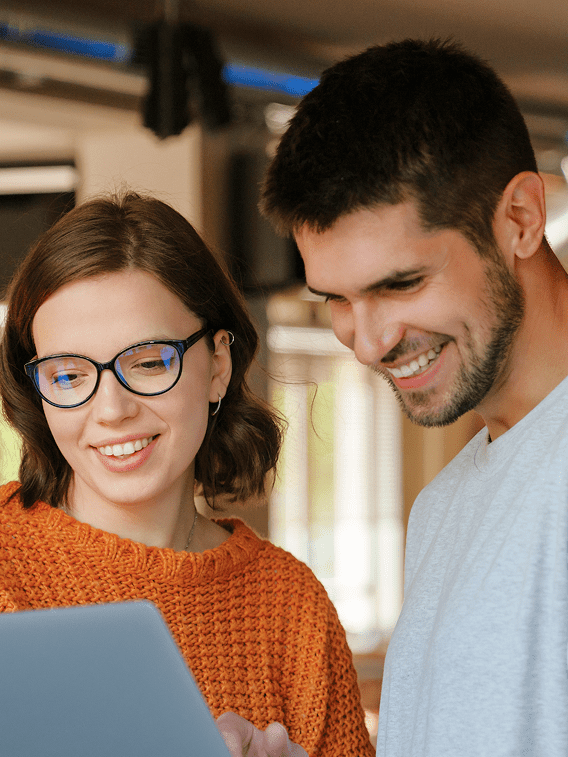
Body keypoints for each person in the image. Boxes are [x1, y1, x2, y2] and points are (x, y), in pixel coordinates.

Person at [0, 191, 374, 757]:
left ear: (218, 365)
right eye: (68, 376)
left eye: (148, 363)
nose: (111, 410)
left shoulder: (293, 609)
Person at [220, 37, 568, 756]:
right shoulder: (442, 510)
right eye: (335, 298)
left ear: (521, 219)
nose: (369, 340)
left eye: (400, 283)